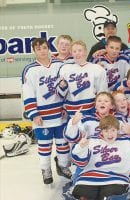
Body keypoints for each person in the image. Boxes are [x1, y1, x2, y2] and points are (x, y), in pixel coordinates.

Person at [22, 38, 72, 184]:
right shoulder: (30, 70)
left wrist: (65, 107)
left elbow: (67, 89)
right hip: (42, 117)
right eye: (39, 49)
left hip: (59, 113)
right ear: (34, 51)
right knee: (45, 144)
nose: (42, 51)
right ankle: (46, 169)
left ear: (48, 48)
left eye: (44, 47)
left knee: (63, 142)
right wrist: (34, 113)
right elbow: (28, 93)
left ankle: (63, 166)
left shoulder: (59, 65)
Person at [71, 115, 130, 200]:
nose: (109, 134)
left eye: (113, 130)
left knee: (111, 197)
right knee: (84, 196)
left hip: (116, 180)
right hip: (88, 179)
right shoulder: (91, 141)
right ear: (101, 131)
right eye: (106, 131)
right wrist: (81, 147)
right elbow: (80, 163)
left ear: (118, 130)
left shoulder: (127, 143)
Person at [57, 40, 108, 117]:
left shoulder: (97, 69)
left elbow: (102, 92)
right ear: (71, 53)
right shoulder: (65, 69)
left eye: (80, 50)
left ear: (85, 52)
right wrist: (62, 86)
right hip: (71, 112)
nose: (77, 53)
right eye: (74, 51)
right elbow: (61, 94)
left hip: (91, 110)